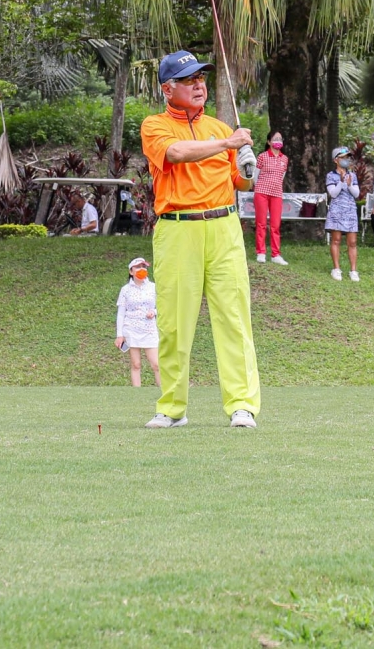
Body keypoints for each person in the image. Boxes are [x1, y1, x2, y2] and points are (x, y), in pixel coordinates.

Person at [139, 50, 259, 429]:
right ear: (167, 89)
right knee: (174, 323)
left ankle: (242, 406)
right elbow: (175, 153)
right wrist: (228, 145)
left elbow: (241, 182)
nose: (198, 85)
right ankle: (172, 408)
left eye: (201, 79)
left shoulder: (222, 129)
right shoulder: (155, 126)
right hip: (177, 228)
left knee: (234, 318)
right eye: (189, 80)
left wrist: (249, 168)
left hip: (224, 227)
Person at [115, 257, 160, 387]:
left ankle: (163, 393)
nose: (142, 269)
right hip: (131, 329)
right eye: (138, 267)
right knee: (136, 364)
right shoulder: (126, 289)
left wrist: (154, 312)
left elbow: (162, 306)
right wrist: (119, 335)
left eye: (144, 267)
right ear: (131, 271)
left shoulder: (153, 287)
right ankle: (137, 393)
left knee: (156, 364)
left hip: (149, 329)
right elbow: (121, 313)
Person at [253, 132, 290, 265]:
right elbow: (255, 176)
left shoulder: (284, 158)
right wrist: (261, 188)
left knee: (275, 225)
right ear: (269, 142)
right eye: (275, 139)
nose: (278, 141)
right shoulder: (262, 156)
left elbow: (282, 177)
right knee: (261, 223)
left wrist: (274, 187)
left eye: (280, 138)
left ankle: (276, 254)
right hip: (261, 192)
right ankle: (261, 252)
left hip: (277, 194)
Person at [325, 147, 362, 280]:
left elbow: (356, 194)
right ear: (336, 160)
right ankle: (336, 269)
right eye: (343, 157)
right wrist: (341, 182)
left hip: (350, 211)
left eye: (348, 157)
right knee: (336, 240)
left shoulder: (352, 175)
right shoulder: (330, 175)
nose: (346, 160)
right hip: (336, 211)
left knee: (352, 242)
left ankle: (353, 271)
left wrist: (349, 184)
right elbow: (333, 193)